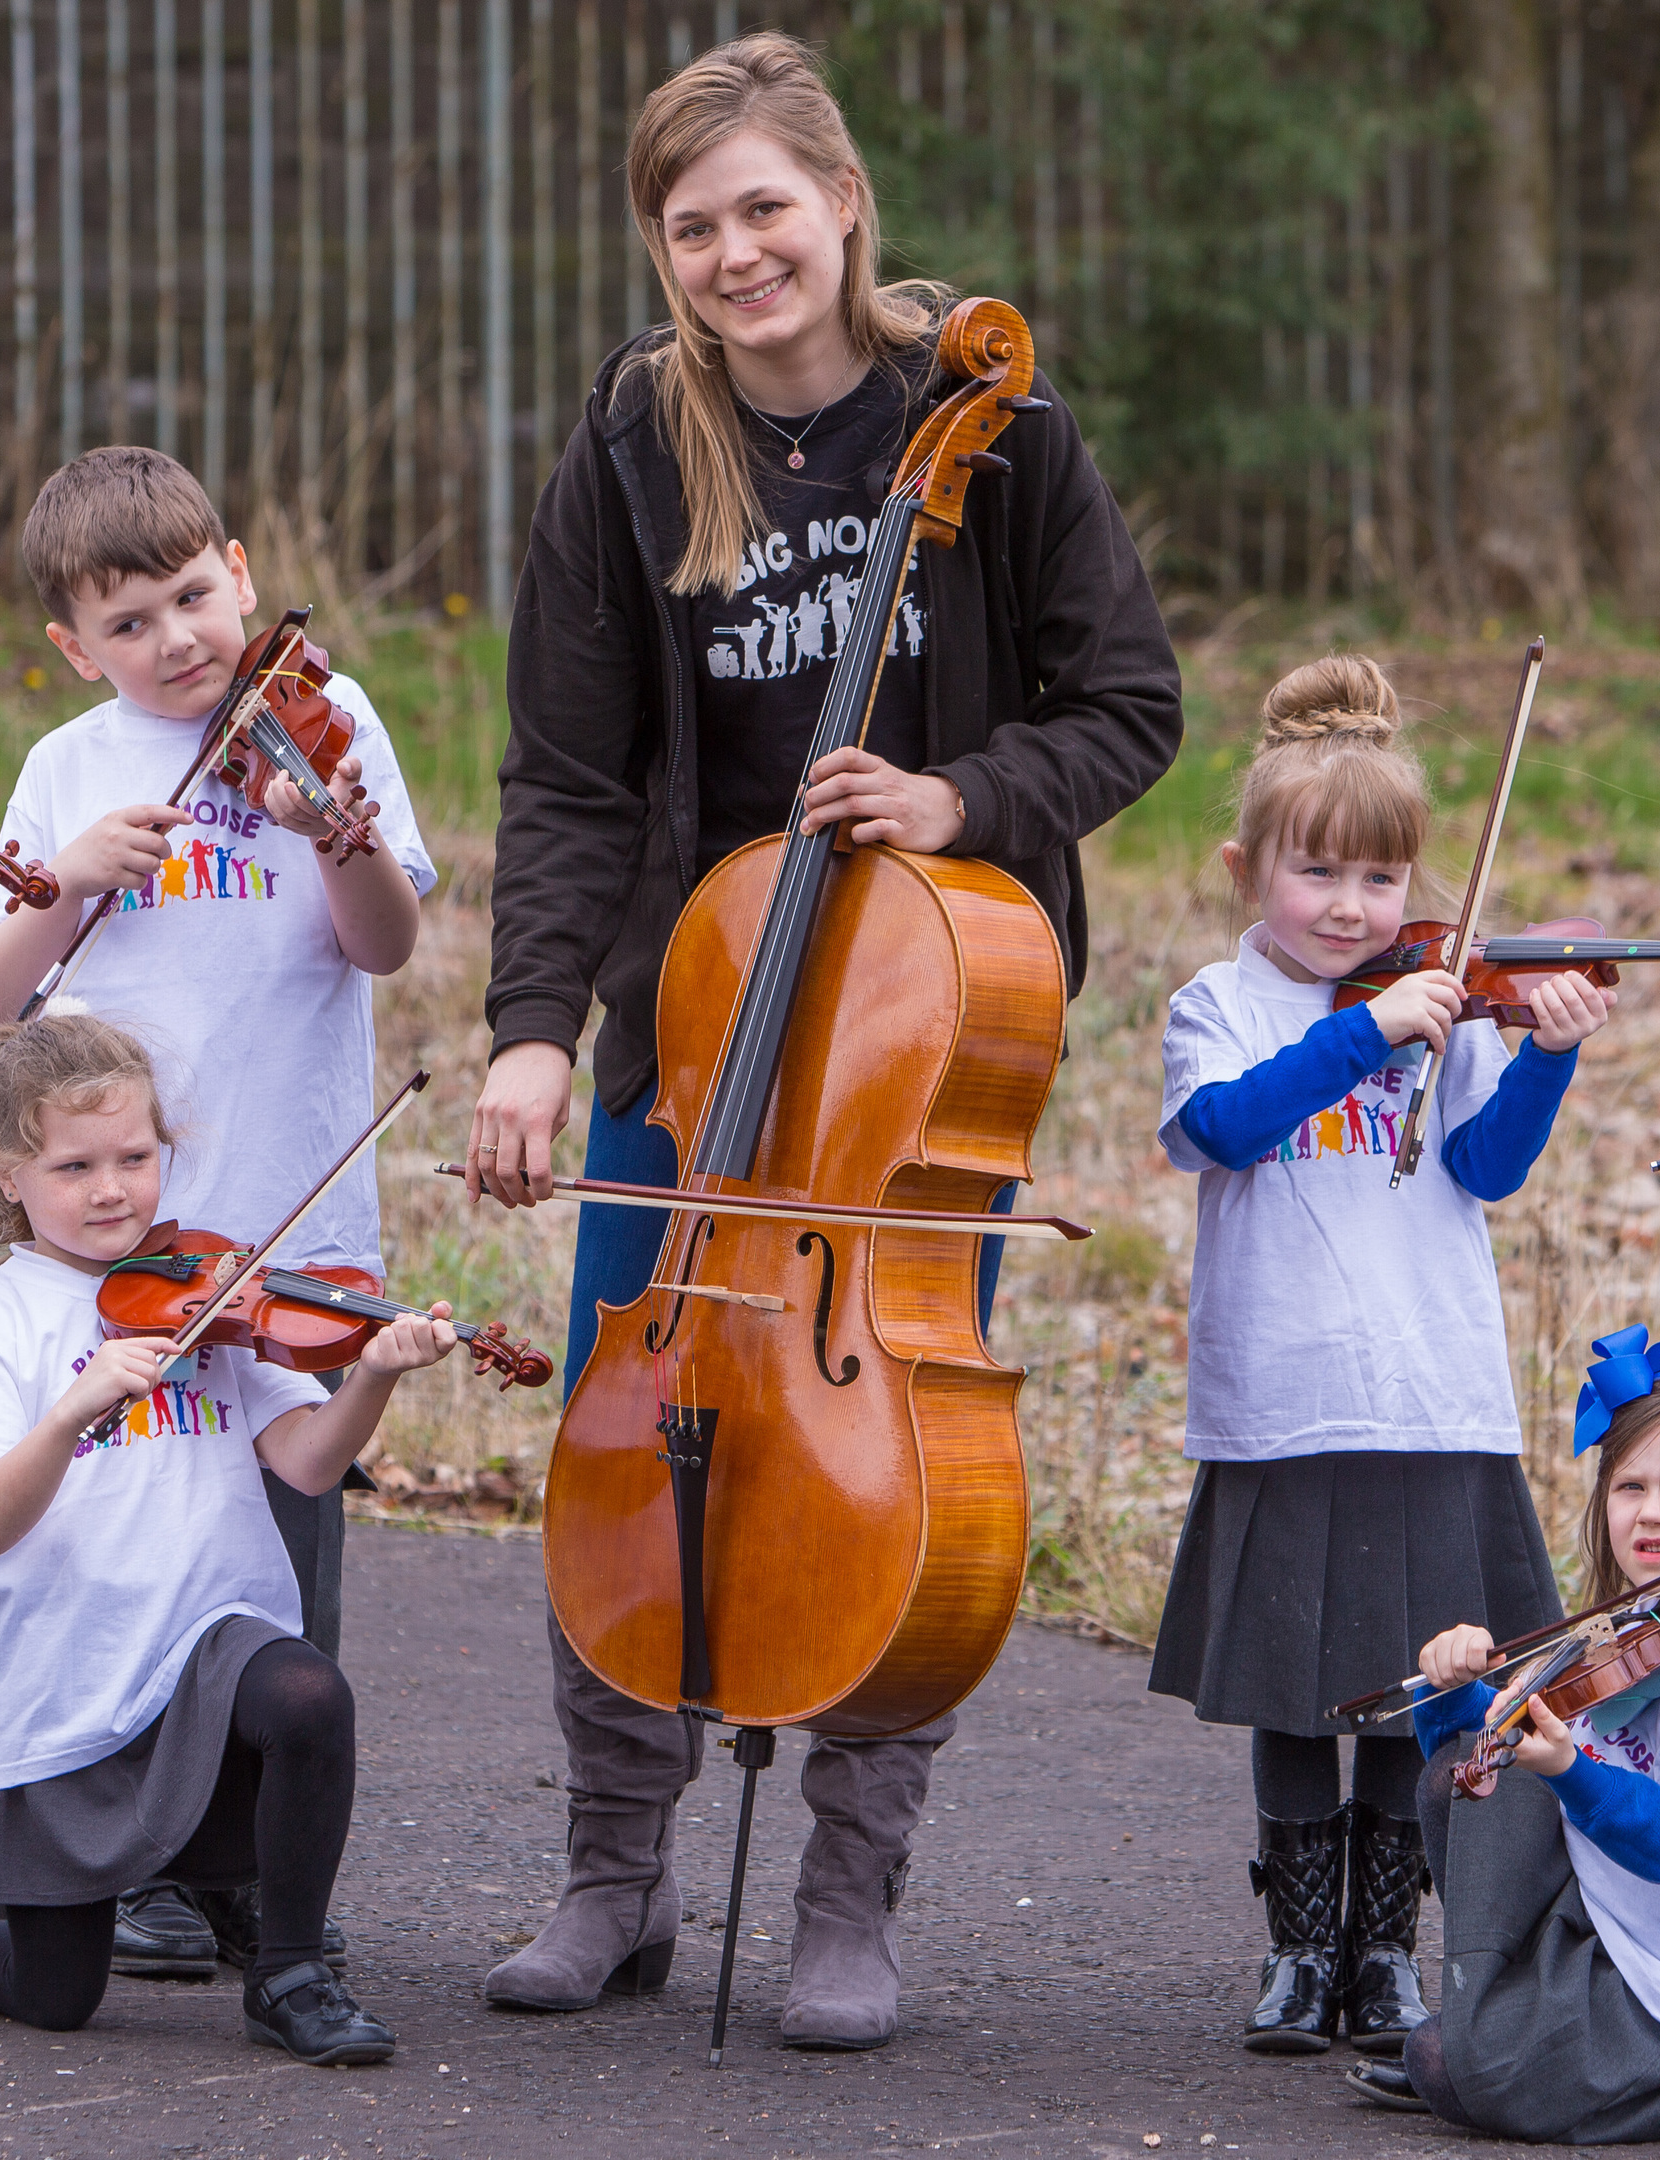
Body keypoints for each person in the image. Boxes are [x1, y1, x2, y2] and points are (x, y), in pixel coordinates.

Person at [463, 31, 1183, 2051]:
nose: (734, 252)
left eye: (765, 207)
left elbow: (1130, 707)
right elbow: (569, 779)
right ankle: (617, 1870)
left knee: (892, 1468)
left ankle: (850, 1894)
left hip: (906, 1054)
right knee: (631, 1432)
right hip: (694, 1043)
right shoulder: (628, 446)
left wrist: (972, 800)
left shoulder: (996, 426)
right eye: (692, 227)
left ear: (843, 203)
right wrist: (534, 1037)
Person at [0, 444, 435, 1977]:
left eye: (192, 595)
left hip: (293, 1213)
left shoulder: (330, 719)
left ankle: (266, 1865)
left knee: (291, 1531)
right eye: (131, 624)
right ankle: (149, 1854)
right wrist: (64, 882)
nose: (177, 639)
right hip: (126, 1227)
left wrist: (338, 835)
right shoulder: (67, 770)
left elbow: (384, 947)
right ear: (75, 650)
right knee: (133, 1537)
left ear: (239, 570)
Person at [1147, 654, 1615, 2059]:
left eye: (1382, 881)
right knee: (1299, 1690)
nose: (1354, 909)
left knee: (1428, 1683)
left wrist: (1540, 1055)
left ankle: (1387, 1952)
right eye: (1319, 876)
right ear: (1249, 870)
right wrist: (1361, 1034)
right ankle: (1300, 1952)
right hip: (1287, 1406)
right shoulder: (1219, 1008)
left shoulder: (1447, 1006)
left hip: (1432, 1399)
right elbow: (1221, 1130)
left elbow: (1486, 1167)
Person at [0, 1016, 456, 2060]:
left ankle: (290, 1975)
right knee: (56, 1998)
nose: (112, 1188)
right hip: (70, 1668)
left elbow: (306, 1462)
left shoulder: (214, 1287)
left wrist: (372, 1372)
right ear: (8, 1174)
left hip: (209, 1637)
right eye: (76, 1165)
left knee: (306, 1691)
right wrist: (68, 1414)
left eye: (136, 1158)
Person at [1343, 1342, 1660, 2141]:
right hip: (1610, 1924)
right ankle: (1499, 2027)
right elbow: (1474, 1767)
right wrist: (1456, 1695)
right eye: (1632, 1486)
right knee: (1460, 1777)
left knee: (1442, 2063)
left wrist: (1570, 1769)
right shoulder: (1633, 1630)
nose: (1653, 1512)